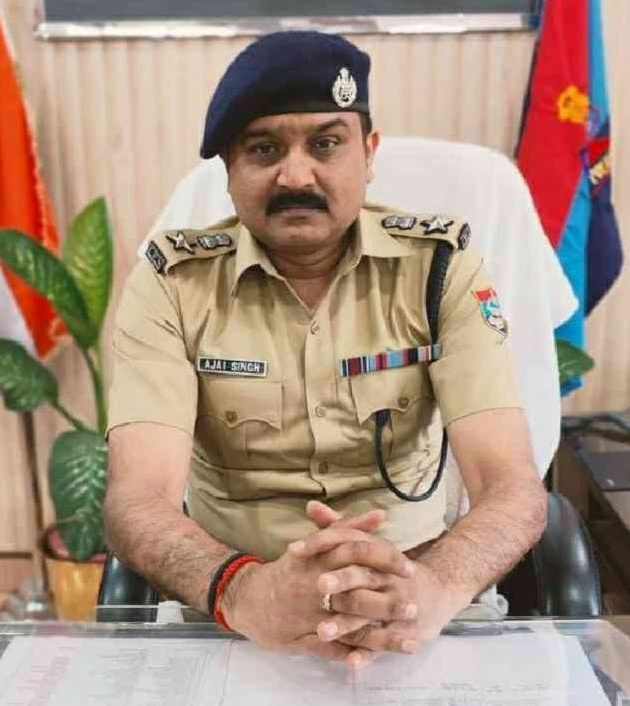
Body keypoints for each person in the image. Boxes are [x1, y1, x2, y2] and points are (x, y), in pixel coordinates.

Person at [104, 30, 547, 669]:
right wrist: (242, 591)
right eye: (263, 149)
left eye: (325, 143)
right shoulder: (174, 282)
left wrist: (433, 585)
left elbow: (513, 486)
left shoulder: (438, 268)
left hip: (415, 601)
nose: (295, 175)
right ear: (229, 169)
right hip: (233, 608)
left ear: (368, 154)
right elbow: (137, 498)